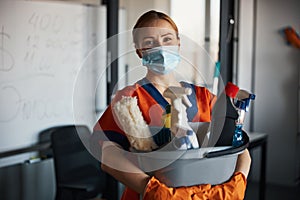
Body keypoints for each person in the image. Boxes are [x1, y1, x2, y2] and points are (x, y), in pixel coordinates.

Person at [94, 10, 251, 200]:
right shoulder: (129, 99)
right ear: (139, 51)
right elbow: (109, 157)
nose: (160, 48)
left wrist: (237, 183)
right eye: (149, 43)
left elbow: (239, 150)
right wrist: (152, 191)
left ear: (178, 43)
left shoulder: (204, 98)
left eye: (167, 39)